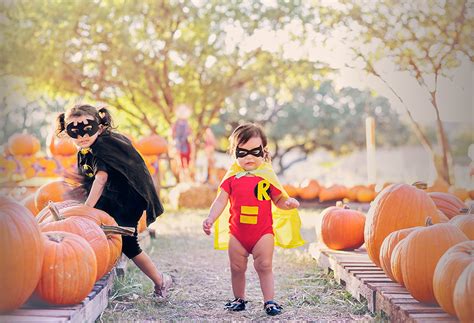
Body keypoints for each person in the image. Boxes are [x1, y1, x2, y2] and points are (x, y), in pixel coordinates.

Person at [56, 104, 173, 298]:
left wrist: (86, 209)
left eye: (87, 129)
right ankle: (94, 270)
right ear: (67, 132)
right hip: (112, 196)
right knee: (95, 230)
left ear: (99, 126)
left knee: (128, 243)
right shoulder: (88, 149)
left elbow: (101, 179)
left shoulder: (103, 146)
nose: (82, 136)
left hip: (128, 200)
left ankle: (161, 280)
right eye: (74, 132)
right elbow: (91, 179)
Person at [202, 123, 303, 316]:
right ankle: (239, 299)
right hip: (237, 234)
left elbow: (278, 199)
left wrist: (287, 202)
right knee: (236, 267)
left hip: (262, 233)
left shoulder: (267, 176)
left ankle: (270, 301)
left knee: (264, 266)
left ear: (264, 152)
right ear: (234, 152)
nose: (249, 157)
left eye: (255, 151)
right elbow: (220, 200)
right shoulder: (232, 177)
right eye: (242, 152)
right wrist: (210, 218)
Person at [171, 104, 192, 181]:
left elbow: (189, 133)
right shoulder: (176, 123)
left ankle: (186, 176)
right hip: (178, 144)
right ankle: (182, 178)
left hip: (185, 143)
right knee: (179, 161)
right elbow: (173, 134)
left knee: (187, 161)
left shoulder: (187, 123)